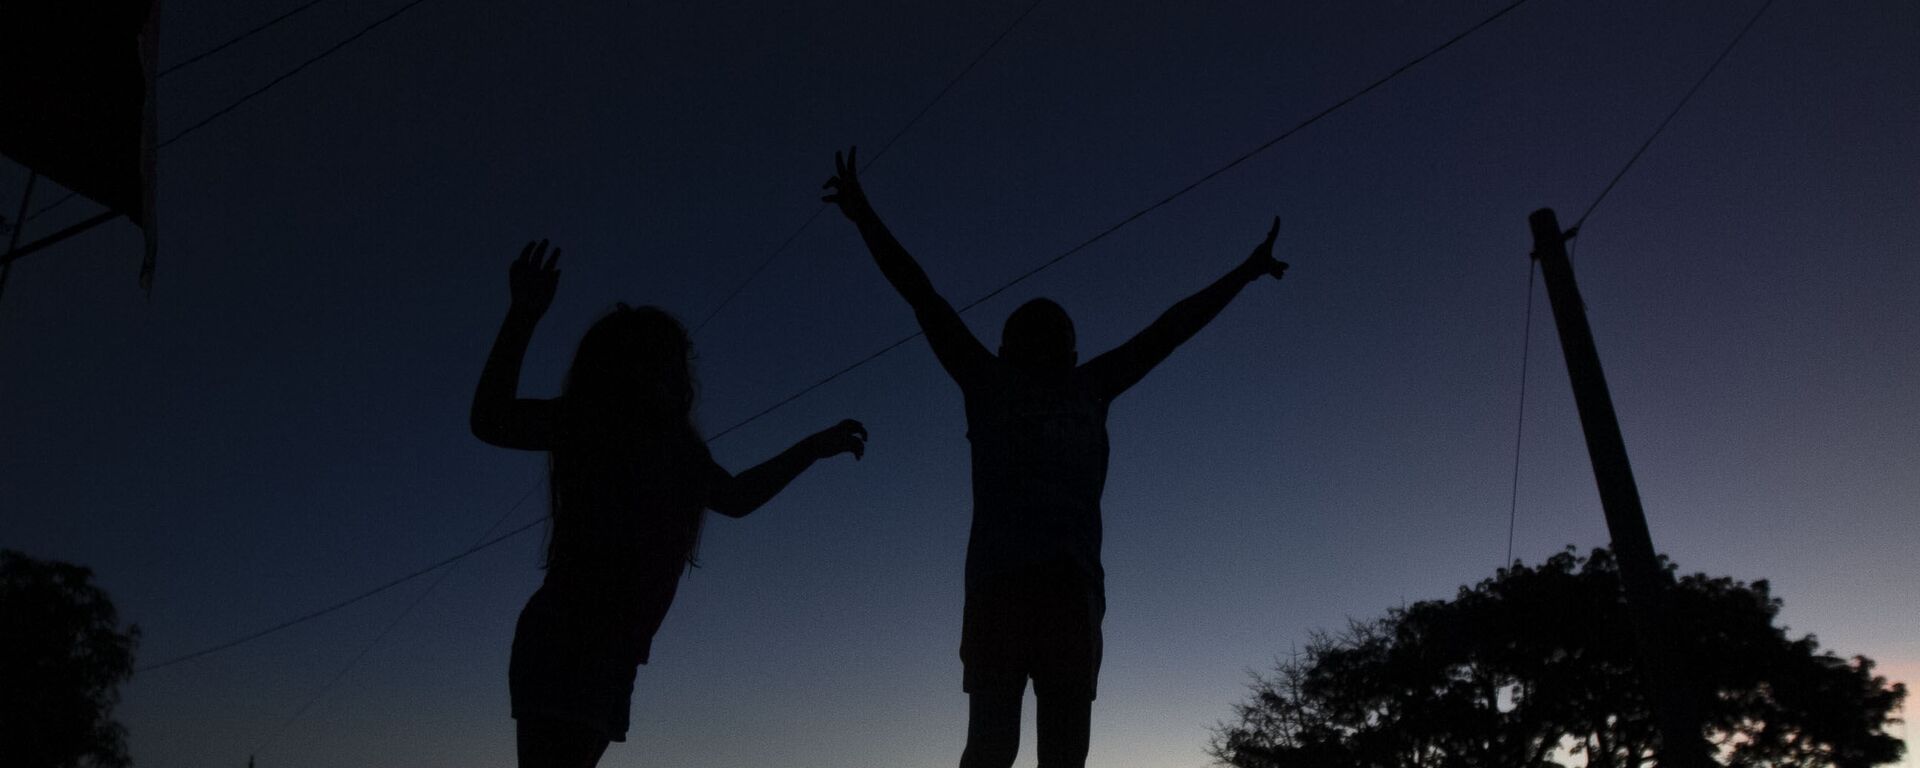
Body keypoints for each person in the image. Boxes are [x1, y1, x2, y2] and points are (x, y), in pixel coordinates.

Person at [822, 148, 1288, 768]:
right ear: (1009, 347)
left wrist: (1245, 273)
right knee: (991, 746)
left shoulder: (1090, 385)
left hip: (1071, 592)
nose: (1046, 345)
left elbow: (1172, 327)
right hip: (1001, 589)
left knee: (1064, 752)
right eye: (1032, 335)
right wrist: (863, 216)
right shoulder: (988, 383)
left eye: (1056, 336)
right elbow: (921, 294)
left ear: (1069, 350)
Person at [471, 240, 869, 768]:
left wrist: (814, 448)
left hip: (614, 651)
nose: (675, 374)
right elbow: (492, 420)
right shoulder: (593, 421)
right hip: (572, 639)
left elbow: (735, 497)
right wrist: (521, 315)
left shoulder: (676, 448)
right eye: (663, 361)